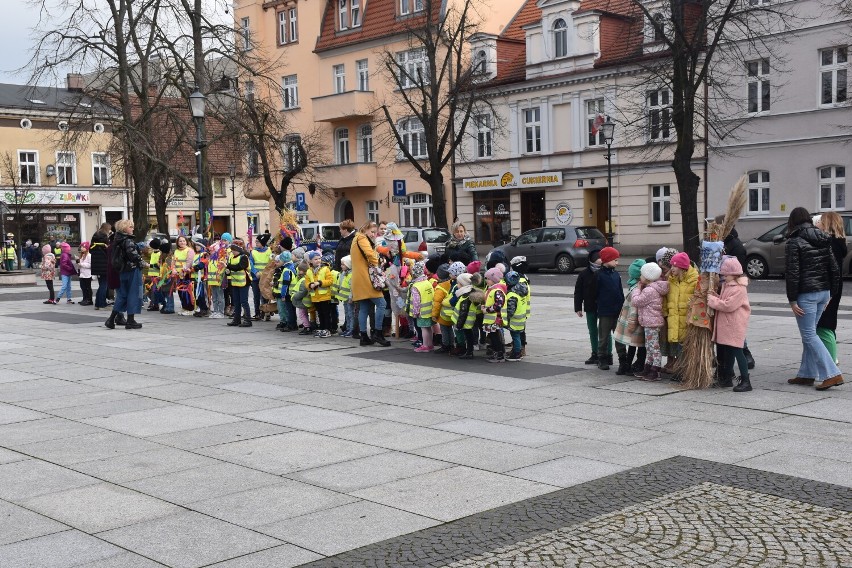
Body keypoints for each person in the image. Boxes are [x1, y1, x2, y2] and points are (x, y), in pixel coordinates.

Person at [784, 207, 843, 390]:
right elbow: (834, 268)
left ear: (792, 221)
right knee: (809, 334)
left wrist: (792, 300)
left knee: (809, 335)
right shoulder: (823, 237)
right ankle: (807, 374)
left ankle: (832, 374)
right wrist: (831, 294)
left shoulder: (794, 241)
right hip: (823, 292)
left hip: (806, 294)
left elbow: (793, 273)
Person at [708, 256, 752, 392]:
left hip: (734, 325)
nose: (723, 277)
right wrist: (715, 296)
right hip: (727, 325)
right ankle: (726, 378)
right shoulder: (728, 285)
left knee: (738, 352)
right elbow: (723, 300)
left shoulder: (739, 288)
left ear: (733, 274)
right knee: (729, 352)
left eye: (725, 274)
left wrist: (712, 300)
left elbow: (728, 305)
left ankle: (746, 380)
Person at [350, 221, 390, 347]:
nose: (374, 235)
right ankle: (378, 333)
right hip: (366, 278)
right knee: (382, 303)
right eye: (372, 232)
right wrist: (378, 262)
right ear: (365, 229)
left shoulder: (356, 238)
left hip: (358, 278)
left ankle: (363, 336)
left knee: (364, 307)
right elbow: (370, 254)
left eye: (375, 232)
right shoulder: (362, 238)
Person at [814, 212, 847, 365]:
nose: (818, 223)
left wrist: (828, 294)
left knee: (825, 325)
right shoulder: (838, 242)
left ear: (828, 224)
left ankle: (831, 362)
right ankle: (830, 358)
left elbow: (828, 269)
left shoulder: (831, 243)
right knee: (828, 324)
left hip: (828, 289)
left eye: (821, 221)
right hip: (834, 287)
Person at [631, 262, 669, 381]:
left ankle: (655, 370)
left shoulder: (649, 291)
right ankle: (648, 367)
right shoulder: (652, 288)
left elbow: (637, 301)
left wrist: (636, 290)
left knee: (653, 347)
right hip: (650, 321)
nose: (640, 277)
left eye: (641, 275)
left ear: (647, 277)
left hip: (651, 322)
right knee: (649, 346)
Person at [105, 219, 144, 329]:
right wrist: (143, 262)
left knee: (121, 295)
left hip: (121, 271)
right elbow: (133, 256)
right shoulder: (128, 240)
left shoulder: (116, 239)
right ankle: (130, 320)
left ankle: (111, 319)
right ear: (124, 228)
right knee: (134, 294)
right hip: (132, 270)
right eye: (130, 227)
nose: (133, 229)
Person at [665, 251, 698, 377]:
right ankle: (680, 371)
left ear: (682, 267)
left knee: (685, 347)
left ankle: (685, 372)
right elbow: (667, 299)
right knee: (678, 346)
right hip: (674, 318)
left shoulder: (693, 281)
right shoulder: (672, 280)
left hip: (687, 319)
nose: (672, 269)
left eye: (674, 266)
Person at [613, 259, 646, 375]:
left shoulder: (635, 287)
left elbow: (633, 308)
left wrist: (631, 321)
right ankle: (631, 364)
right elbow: (633, 308)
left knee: (634, 344)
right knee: (637, 344)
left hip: (632, 320)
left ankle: (629, 365)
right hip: (635, 321)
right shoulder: (636, 287)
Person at [595, 247, 625, 371]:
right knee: (603, 337)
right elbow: (594, 293)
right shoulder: (599, 275)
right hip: (605, 311)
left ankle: (623, 359)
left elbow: (620, 291)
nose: (617, 263)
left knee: (619, 337)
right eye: (615, 260)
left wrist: (623, 306)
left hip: (617, 311)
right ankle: (602, 358)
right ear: (607, 260)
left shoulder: (616, 274)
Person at [574, 249, 604, 365]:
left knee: (604, 331)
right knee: (592, 330)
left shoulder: (605, 272)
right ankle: (595, 353)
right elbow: (578, 291)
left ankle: (606, 354)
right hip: (590, 306)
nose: (600, 260)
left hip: (603, 307)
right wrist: (578, 307)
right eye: (598, 258)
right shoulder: (584, 274)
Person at [305, 250, 334, 338]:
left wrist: (320, 283)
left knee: (326, 313)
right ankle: (322, 328)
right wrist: (310, 285)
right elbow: (306, 282)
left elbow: (330, 281)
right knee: (320, 313)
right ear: (310, 261)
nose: (318, 260)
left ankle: (327, 329)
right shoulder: (309, 271)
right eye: (315, 259)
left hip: (324, 296)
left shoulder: (325, 269)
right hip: (315, 296)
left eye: (319, 259)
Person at [482, 266, 507, 363]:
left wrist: (487, 310)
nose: (486, 280)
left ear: (494, 279)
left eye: (488, 279)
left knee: (495, 337)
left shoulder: (497, 290)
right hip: (491, 319)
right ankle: (498, 353)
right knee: (494, 336)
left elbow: (498, 305)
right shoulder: (492, 289)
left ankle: (499, 354)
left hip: (495, 319)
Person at [504, 270, 529, 362]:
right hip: (521, 318)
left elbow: (510, 310)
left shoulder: (512, 295)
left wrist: (505, 318)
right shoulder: (521, 291)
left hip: (514, 320)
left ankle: (516, 354)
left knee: (515, 336)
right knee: (517, 336)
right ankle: (516, 351)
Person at [226, 239, 252, 327]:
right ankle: (236, 319)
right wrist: (227, 271)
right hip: (235, 282)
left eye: (234, 250)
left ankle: (248, 320)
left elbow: (239, 267)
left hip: (244, 282)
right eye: (232, 250)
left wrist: (229, 267)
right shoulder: (231, 257)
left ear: (238, 250)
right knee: (236, 301)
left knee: (244, 301)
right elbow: (230, 268)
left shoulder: (244, 257)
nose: (232, 252)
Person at [250, 233, 273, 320]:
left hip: (266, 278)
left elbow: (271, 264)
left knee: (265, 295)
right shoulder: (253, 252)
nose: (256, 243)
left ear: (262, 243)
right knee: (256, 296)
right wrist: (255, 272)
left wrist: (266, 275)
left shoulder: (269, 251)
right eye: (256, 241)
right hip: (256, 277)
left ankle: (266, 311)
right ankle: (257, 313)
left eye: (258, 242)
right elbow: (251, 264)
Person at [90, 223, 111, 310]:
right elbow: (108, 252)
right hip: (104, 264)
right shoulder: (104, 239)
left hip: (96, 264)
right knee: (104, 284)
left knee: (101, 284)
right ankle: (101, 303)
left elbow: (91, 251)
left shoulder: (95, 237)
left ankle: (98, 304)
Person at [335, 255, 354, 337]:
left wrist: (351, 297)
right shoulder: (343, 273)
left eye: (343, 264)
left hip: (349, 298)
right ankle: (348, 328)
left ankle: (351, 329)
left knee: (351, 314)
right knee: (347, 314)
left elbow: (352, 288)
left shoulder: (351, 274)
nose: (341, 266)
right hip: (345, 298)